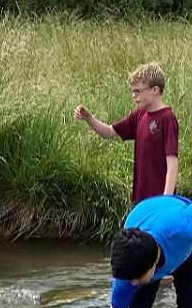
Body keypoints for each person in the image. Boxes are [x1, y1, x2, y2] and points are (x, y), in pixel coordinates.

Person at [74, 62, 179, 204]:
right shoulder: (139, 115)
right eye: (132, 92)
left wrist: (166, 200)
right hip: (140, 199)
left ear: (155, 90)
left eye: (138, 91)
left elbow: (172, 162)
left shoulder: (167, 119)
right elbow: (108, 132)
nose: (134, 96)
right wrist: (89, 118)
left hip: (160, 200)